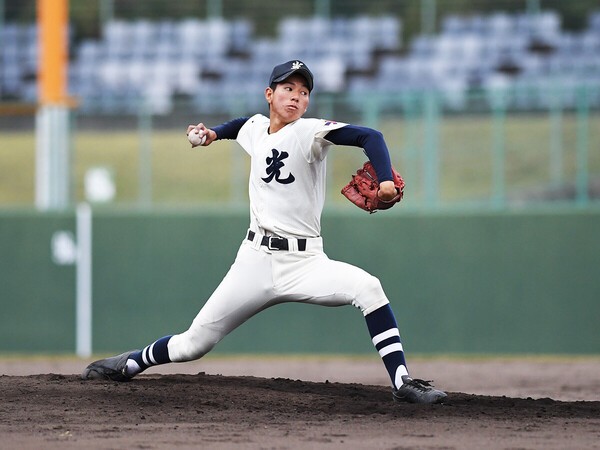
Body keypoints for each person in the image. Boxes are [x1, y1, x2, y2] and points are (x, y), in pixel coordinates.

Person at [82, 60, 447, 404]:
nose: (297, 97)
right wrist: (212, 134)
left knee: (368, 287)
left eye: (304, 92)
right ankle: (132, 363)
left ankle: (402, 382)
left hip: (305, 262)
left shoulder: (310, 132)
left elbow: (370, 136)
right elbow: (241, 126)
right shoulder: (257, 128)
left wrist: (385, 178)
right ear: (269, 94)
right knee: (192, 345)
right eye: (288, 88)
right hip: (254, 261)